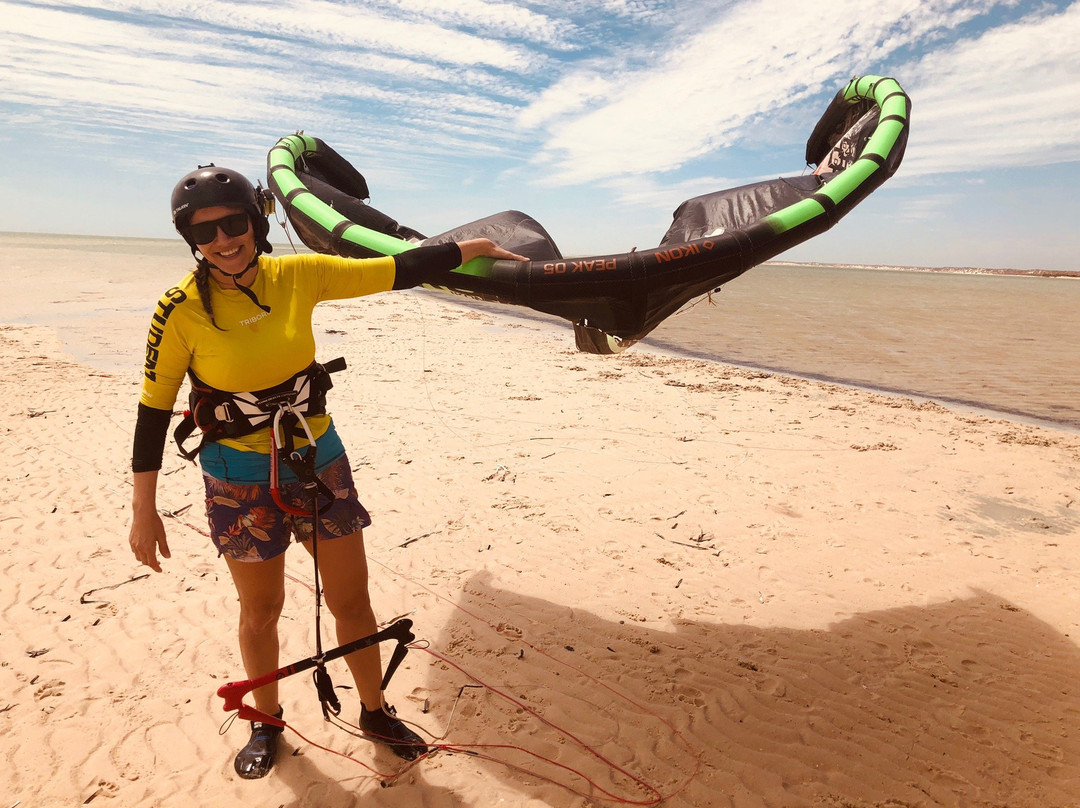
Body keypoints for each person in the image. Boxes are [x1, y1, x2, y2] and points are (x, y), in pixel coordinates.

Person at [128, 164, 526, 779]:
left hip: (317, 463)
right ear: (190, 239)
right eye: (204, 231)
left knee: (351, 600)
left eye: (235, 223)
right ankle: (267, 721)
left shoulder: (298, 275)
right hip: (236, 476)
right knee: (260, 610)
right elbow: (153, 412)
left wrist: (464, 250)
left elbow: (395, 271)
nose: (223, 239)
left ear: (257, 222)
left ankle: (374, 709)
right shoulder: (178, 309)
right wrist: (143, 509)